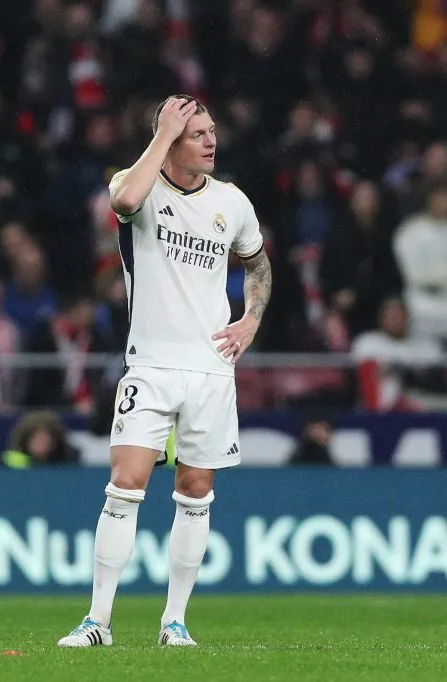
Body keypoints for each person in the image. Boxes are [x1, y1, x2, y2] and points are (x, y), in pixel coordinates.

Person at [56, 95, 272, 648]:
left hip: (210, 370)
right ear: (171, 140)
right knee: (125, 485)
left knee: (196, 491)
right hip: (149, 366)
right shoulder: (140, 185)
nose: (211, 141)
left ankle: (174, 621)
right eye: (197, 132)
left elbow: (257, 261)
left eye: (212, 130)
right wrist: (161, 131)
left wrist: (251, 318)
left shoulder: (232, 202)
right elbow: (124, 198)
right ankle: (97, 621)